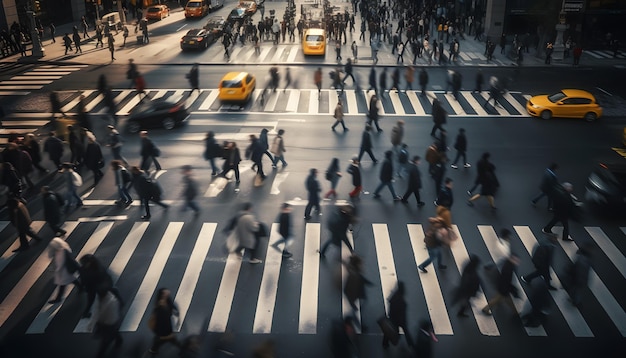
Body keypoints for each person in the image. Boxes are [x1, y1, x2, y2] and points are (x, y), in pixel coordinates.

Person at [90, 287, 123, 358]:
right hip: (108, 323)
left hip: (109, 323)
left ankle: (100, 355)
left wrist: (99, 323)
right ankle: (119, 339)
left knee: (105, 342)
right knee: (114, 332)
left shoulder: (110, 302)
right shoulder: (105, 299)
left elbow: (106, 315)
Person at [148, 288, 181, 355]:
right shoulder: (160, 308)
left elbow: (171, 305)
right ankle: (180, 346)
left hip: (165, 328)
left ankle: (153, 349)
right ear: (162, 295)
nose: (168, 292)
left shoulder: (167, 300)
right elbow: (161, 322)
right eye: (165, 292)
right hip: (163, 329)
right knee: (167, 338)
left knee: (160, 340)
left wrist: (175, 312)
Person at [47, 237, 80, 304]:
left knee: (63, 284)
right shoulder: (63, 249)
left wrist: (56, 269)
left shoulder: (62, 252)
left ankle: (58, 298)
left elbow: (62, 263)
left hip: (65, 271)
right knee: (70, 280)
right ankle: (81, 286)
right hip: (65, 271)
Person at [382, 281, 413, 348]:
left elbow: (390, 303)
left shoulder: (394, 296)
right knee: (406, 332)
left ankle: (385, 343)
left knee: (388, 331)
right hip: (400, 320)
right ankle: (411, 345)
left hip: (392, 318)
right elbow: (403, 313)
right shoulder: (402, 301)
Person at [343, 253, 372, 325]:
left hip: (354, 293)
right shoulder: (356, 275)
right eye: (360, 264)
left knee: (356, 307)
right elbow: (362, 280)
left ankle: (353, 318)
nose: (362, 265)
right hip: (355, 293)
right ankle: (355, 321)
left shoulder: (353, 272)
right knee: (356, 307)